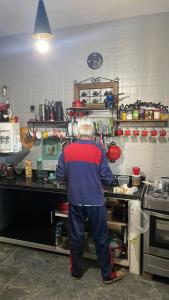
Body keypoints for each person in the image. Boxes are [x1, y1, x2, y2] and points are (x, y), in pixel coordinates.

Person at [55, 118, 124, 284]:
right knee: (101, 237)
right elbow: (107, 178)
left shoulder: (67, 150)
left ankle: (76, 272)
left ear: (78, 133)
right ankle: (107, 275)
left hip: (75, 200)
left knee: (76, 237)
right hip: (95, 202)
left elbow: (59, 176)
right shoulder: (98, 150)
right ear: (93, 134)